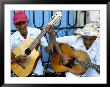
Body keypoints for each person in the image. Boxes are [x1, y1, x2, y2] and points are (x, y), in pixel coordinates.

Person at [11, 11, 50, 76]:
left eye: (23, 22)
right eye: (18, 24)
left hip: (36, 69)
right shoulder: (12, 37)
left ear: (27, 21)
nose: (21, 26)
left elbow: (48, 50)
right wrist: (15, 59)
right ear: (14, 25)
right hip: (19, 69)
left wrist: (51, 35)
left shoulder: (37, 32)